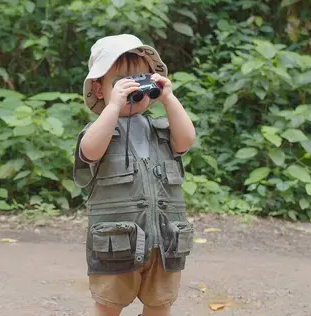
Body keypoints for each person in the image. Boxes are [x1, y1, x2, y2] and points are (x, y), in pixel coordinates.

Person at [72, 34, 197, 316]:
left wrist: (169, 98)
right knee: (108, 305)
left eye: (143, 79)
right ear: (99, 89)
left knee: (159, 304)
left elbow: (186, 140)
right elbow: (90, 151)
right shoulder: (100, 130)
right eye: (122, 83)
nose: (134, 89)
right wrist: (114, 107)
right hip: (117, 243)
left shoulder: (162, 129)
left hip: (164, 241)